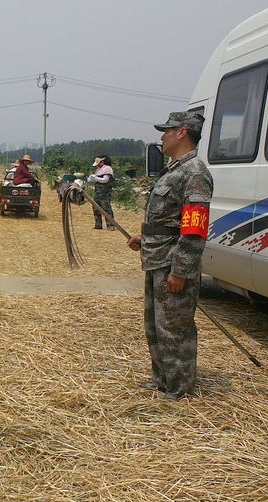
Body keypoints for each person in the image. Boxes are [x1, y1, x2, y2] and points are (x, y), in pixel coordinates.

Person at [126, 111, 213, 401]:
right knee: (155, 325)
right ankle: (162, 378)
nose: (162, 136)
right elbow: (169, 220)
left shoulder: (195, 173)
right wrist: (146, 238)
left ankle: (180, 387)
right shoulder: (173, 170)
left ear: (182, 133)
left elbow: (193, 230)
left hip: (172, 265)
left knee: (175, 327)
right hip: (157, 259)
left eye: (167, 131)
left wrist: (181, 270)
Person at [89, 155, 116, 230]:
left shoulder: (108, 169)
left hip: (105, 193)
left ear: (102, 162)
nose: (97, 165)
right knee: (96, 208)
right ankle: (98, 224)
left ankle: (111, 225)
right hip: (98, 192)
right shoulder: (98, 169)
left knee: (106, 208)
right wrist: (92, 178)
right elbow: (96, 179)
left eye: (98, 163)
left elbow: (105, 180)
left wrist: (96, 178)